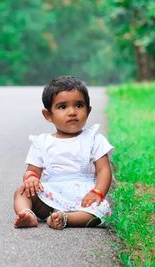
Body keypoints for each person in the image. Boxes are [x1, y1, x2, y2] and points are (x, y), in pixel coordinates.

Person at [13, 76, 114, 229]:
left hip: (83, 198)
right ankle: (27, 214)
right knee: (22, 191)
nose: (72, 112)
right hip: (50, 196)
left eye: (79, 105)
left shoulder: (94, 139)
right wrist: (31, 179)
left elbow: (104, 170)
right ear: (48, 115)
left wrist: (98, 192)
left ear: (88, 110)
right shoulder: (41, 143)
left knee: (102, 210)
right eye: (62, 107)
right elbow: (32, 171)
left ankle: (66, 218)